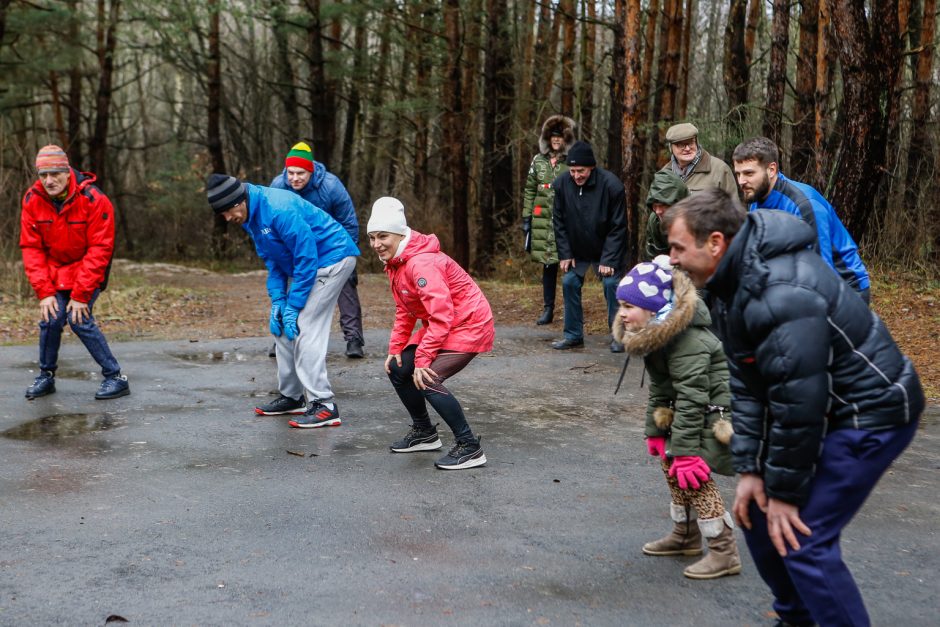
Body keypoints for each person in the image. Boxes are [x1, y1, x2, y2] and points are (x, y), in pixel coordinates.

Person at [663, 190, 924, 626]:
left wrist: (785, 493)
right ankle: (797, 618)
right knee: (757, 517)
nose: (671, 259)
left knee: (804, 538)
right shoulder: (730, 284)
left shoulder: (775, 290)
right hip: (823, 411)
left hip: (871, 414)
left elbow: (797, 403)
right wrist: (750, 471)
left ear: (715, 243)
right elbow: (747, 388)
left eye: (677, 247)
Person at [613, 255, 741, 580]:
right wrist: (654, 431)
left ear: (654, 307)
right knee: (672, 467)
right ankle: (685, 535)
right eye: (621, 306)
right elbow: (660, 387)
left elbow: (693, 396)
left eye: (629, 306)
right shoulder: (657, 335)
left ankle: (724, 551)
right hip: (686, 410)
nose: (622, 314)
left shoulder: (688, 340)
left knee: (694, 476)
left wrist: (685, 451)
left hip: (713, 413)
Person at [206, 174, 359, 428]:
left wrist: (294, 305)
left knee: (304, 325)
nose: (227, 219)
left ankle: (324, 405)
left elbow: (306, 256)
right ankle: (292, 396)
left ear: (237, 201)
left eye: (226, 212)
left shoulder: (278, 208)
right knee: (281, 325)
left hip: (333, 259)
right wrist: (278, 300)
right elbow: (273, 259)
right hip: (309, 263)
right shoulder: (252, 217)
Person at [367, 197, 492, 470]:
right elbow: (406, 309)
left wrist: (423, 359)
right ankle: (425, 432)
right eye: (372, 237)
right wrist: (396, 348)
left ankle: (470, 447)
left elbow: (441, 314)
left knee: (426, 377)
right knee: (399, 368)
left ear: (400, 234)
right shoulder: (398, 263)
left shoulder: (421, 264)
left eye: (383, 236)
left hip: (469, 324)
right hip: (446, 324)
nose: (377, 244)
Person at [19, 145, 130, 400]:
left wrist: (80, 295)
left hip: (86, 271)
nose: (49, 180)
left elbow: (101, 249)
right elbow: (31, 248)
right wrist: (44, 292)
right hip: (54, 273)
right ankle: (46, 377)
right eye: (43, 175)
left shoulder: (94, 199)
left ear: (68, 172)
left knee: (79, 319)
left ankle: (115, 377)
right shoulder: (31, 199)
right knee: (51, 318)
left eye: (55, 173)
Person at [732, 136, 872, 304]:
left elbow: (821, 269)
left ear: (771, 170)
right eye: (738, 174)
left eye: (749, 173)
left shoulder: (804, 204)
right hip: (797, 281)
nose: (741, 181)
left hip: (845, 287)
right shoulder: (756, 198)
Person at [270, 141, 365, 357]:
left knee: (346, 285)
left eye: (300, 173)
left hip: (331, 247)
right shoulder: (278, 186)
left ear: (310, 171)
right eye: (290, 172)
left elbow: (348, 222)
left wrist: (348, 255)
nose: (294, 178)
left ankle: (354, 340)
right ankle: (283, 339)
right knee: (288, 286)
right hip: (295, 248)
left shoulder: (330, 186)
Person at [551, 140, 627, 353]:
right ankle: (573, 335)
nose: (576, 176)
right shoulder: (561, 185)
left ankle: (618, 336)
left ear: (591, 167)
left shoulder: (612, 186)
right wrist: (565, 253)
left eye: (581, 170)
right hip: (579, 250)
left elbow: (618, 226)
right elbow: (559, 222)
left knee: (611, 284)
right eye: (573, 170)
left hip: (606, 249)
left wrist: (609, 259)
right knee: (569, 282)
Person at [522, 115, 576, 325]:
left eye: (560, 136)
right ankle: (548, 309)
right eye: (553, 136)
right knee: (547, 265)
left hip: (565, 220)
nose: (556, 140)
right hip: (541, 219)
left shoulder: (571, 162)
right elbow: (529, 190)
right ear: (547, 138)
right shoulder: (538, 161)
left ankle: (571, 310)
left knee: (568, 265)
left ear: (566, 139)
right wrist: (526, 217)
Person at [659, 123, 736, 196]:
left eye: (691, 143)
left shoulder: (719, 170)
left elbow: (733, 207)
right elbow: (658, 208)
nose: (687, 148)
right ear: (671, 148)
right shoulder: (664, 174)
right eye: (681, 145)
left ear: (697, 142)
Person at [643, 170, 690, 261]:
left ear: (678, 203)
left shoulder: (697, 219)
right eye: (655, 206)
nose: (658, 211)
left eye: (663, 205)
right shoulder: (654, 220)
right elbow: (652, 255)